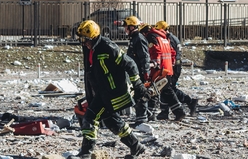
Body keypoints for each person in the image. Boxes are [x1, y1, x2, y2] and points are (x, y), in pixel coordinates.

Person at [72, 20, 147, 159]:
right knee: (111, 120)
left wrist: (137, 83)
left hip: (113, 92)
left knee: (90, 117)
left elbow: (130, 64)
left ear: (93, 37)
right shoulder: (89, 49)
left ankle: (86, 152)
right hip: (102, 92)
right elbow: (90, 74)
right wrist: (90, 96)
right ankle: (136, 145)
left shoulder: (107, 47)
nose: (83, 43)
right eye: (81, 39)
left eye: (85, 39)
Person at [142, 23, 185, 121]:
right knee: (165, 90)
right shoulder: (163, 37)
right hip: (167, 67)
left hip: (159, 69)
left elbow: (155, 51)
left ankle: (152, 113)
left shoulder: (151, 37)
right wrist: (171, 64)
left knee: (155, 89)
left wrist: (154, 64)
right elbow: (172, 52)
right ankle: (178, 111)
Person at [155, 21, 198, 117]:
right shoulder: (172, 38)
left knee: (168, 88)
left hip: (173, 66)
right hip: (174, 66)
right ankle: (165, 111)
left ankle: (189, 101)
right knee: (166, 88)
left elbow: (172, 54)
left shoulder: (169, 39)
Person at [124, 16, 153, 125]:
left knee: (141, 94)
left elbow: (144, 57)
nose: (125, 29)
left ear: (132, 27)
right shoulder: (134, 38)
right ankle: (146, 114)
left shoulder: (139, 38)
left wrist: (146, 72)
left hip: (140, 71)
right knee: (136, 94)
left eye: (126, 27)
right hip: (135, 71)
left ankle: (141, 119)